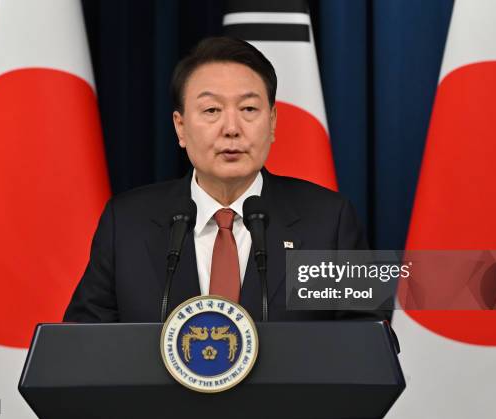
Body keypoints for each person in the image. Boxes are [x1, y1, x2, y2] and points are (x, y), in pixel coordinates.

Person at [64, 37, 386, 323]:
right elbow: (81, 348)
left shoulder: (328, 221)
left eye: (248, 108)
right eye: (211, 110)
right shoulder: (128, 222)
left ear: (272, 122)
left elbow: (370, 347)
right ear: (180, 127)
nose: (231, 128)